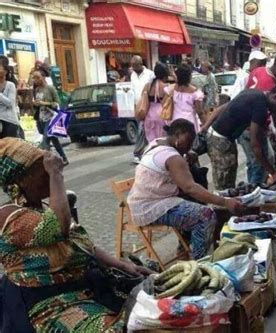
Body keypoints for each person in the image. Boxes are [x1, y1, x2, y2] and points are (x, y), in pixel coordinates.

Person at [0, 138, 151, 332]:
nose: (47, 172)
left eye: (47, 168)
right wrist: (56, 175)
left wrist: (124, 265)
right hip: (48, 303)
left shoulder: (45, 208)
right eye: (41, 168)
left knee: (152, 303)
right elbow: (57, 228)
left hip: (82, 288)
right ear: (20, 179)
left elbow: (84, 244)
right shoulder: (7, 215)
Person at [128, 119, 243, 259]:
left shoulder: (158, 142)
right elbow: (190, 187)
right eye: (189, 141)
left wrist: (185, 154)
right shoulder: (173, 157)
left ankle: (183, 249)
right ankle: (200, 263)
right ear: (178, 135)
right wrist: (225, 202)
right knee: (205, 216)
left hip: (140, 202)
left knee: (193, 204)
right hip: (150, 208)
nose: (190, 146)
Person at [201, 84, 276, 189]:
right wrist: (273, 172)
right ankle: (224, 206)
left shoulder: (253, 92)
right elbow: (255, 144)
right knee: (225, 184)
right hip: (221, 142)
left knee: (228, 181)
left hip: (218, 137)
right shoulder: (260, 106)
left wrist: (206, 127)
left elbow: (224, 107)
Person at [32, 68, 68, 165]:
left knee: (45, 140)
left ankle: (45, 163)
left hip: (51, 117)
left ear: (43, 77)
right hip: (41, 117)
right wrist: (35, 104)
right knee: (54, 139)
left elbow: (57, 103)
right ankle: (64, 157)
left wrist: (44, 103)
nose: (36, 80)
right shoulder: (37, 90)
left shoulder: (50, 88)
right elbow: (37, 104)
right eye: (34, 78)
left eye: (38, 77)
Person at [165, 64, 205, 133]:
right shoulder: (195, 92)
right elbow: (200, 112)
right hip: (189, 124)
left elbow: (163, 103)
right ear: (189, 76)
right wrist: (205, 125)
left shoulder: (172, 89)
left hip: (174, 123)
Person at [131, 55, 155, 162]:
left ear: (141, 64)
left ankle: (138, 152)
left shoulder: (150, 74)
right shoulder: (132, 75)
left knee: (143, 129)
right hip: (137, 106)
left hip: (147, 105)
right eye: (132, 66)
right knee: (141, 129)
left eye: (135, 66)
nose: (133, 68)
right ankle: (143, 152)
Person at [140, 62, 170, 142]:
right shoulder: (166, 87)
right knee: (162, 142)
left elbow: (142, 99)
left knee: (151, 142)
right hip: (162, 116)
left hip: (148, 115)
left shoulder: (147, 85)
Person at [0, 62, 21, 138]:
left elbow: (10, 103)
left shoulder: (10, 85)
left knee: (11, 147)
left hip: (9, 121)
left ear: (5, 71)